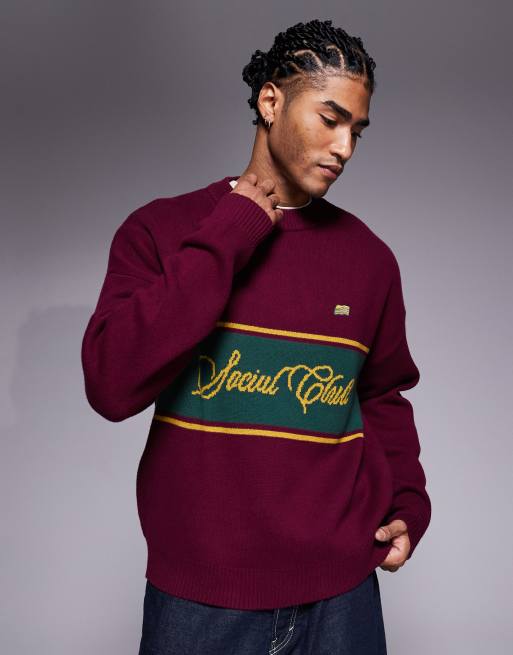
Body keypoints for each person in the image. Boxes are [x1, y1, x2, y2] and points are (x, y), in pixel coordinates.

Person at [81, 18, 431, 654]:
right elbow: (111, 383)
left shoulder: (369, 259)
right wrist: (232, 230)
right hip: (199, 603)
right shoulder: (162, 231)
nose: (345, 148)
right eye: (330, 119)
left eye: (357, 131)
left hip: (342, 595)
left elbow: (382, 396)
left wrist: (407, 501)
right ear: (272, 102)